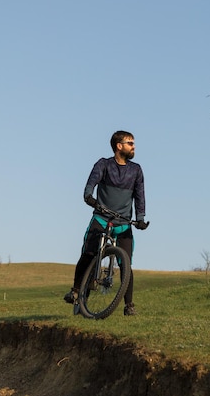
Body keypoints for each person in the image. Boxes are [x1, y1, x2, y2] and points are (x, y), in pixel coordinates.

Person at [64, 130, 149, 316]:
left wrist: (141, 218)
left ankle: (129, 306)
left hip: (124, 223)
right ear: (119, 146)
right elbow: (91, 184)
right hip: (101, 218)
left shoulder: (136, 170)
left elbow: (139, 196)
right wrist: (89, 196)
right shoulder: (103, 165)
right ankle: (76, 291)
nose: (134, 146)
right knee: (88, 255)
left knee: (126, 264)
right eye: (130, 143)